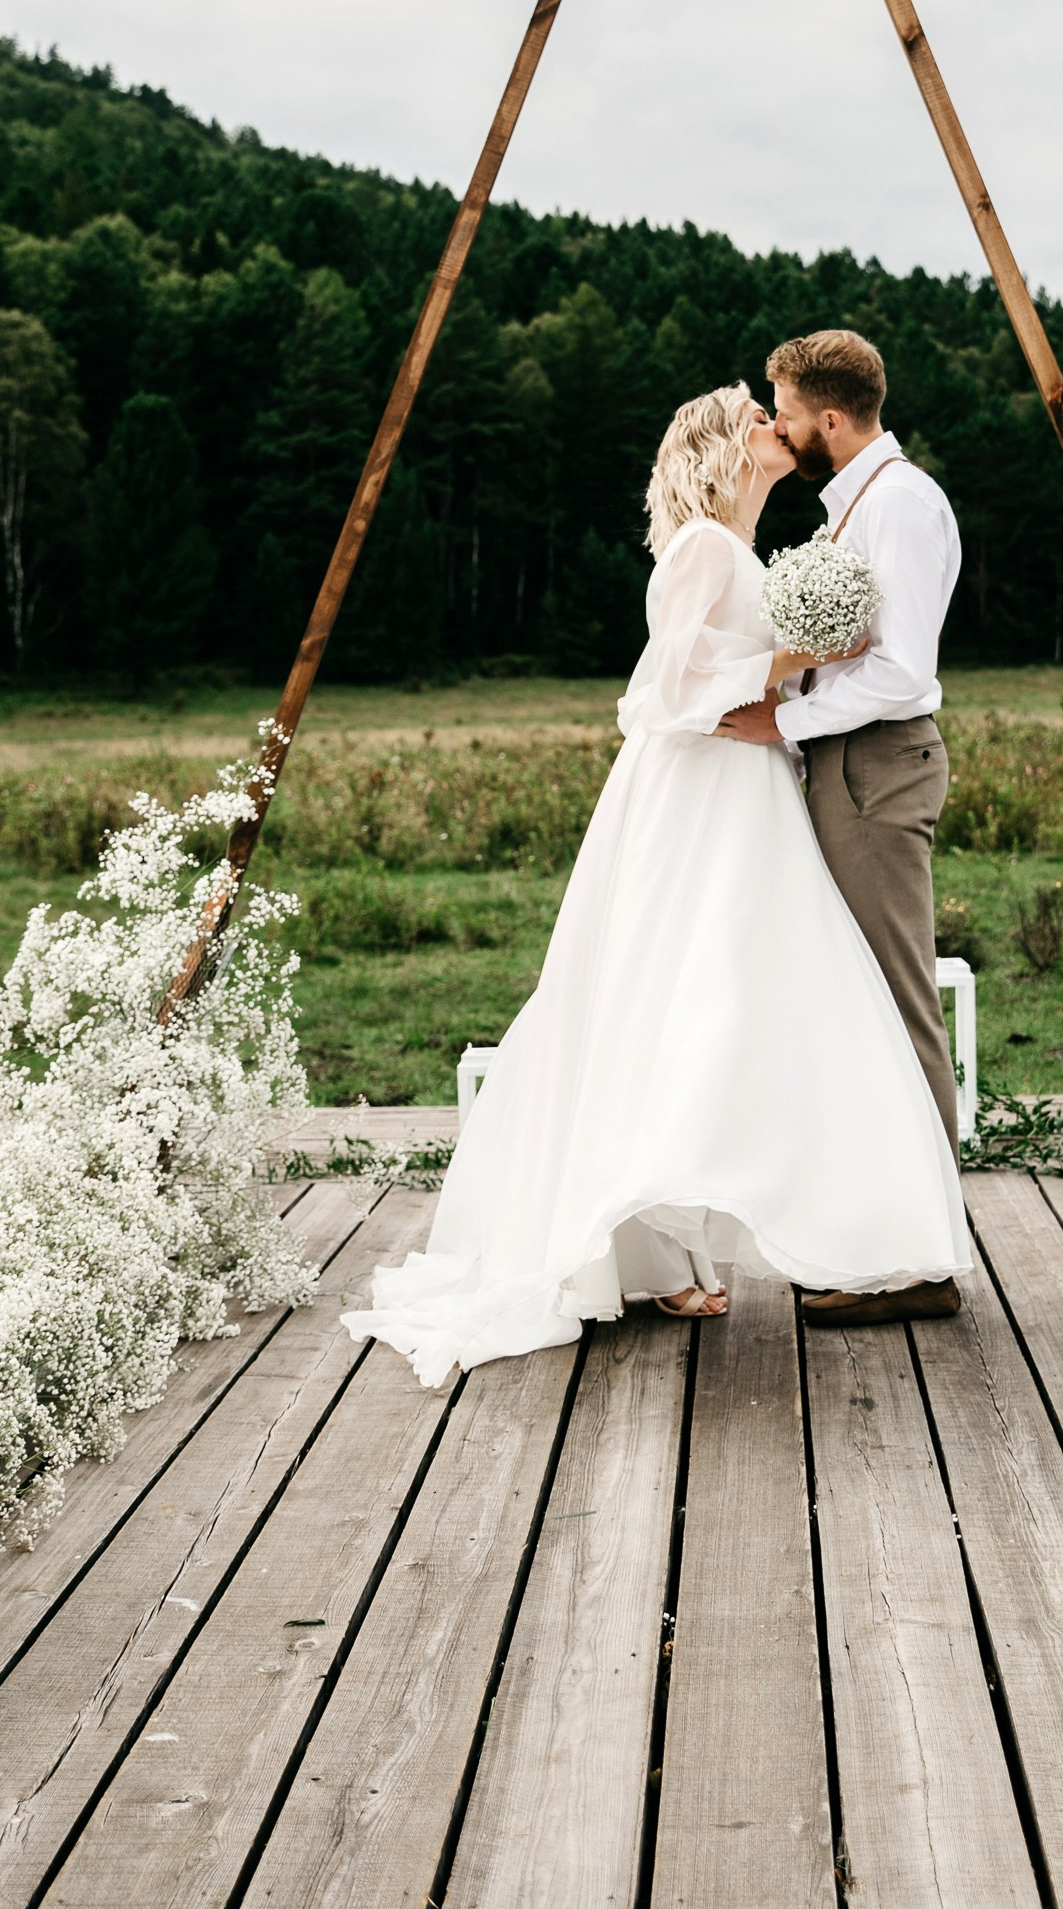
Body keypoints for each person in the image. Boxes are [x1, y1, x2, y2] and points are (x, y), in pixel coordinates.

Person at [341, 382, 970, 1386]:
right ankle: (653, 1242)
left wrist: (795, 669)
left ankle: (682, 1249)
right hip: (704, 790)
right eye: (755, 420)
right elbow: (662, 689)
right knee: (680, 999)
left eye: (779, 413)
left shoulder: (735, 550)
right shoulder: (703, 551)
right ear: (721, 451)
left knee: (703, 1004)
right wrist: (804, 655)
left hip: (746, 782)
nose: (775, 426)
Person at [716, 328, 964, 1323]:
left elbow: (901, 669)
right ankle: (876, 1233)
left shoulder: (898, 504)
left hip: (874, 768)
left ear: (828, 418)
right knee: (854, 999)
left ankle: (920, 1263)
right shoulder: (856, 502)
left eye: (781, 409)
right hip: (845, 765)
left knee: (897, 1001)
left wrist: (786, 716)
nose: (773, 425)